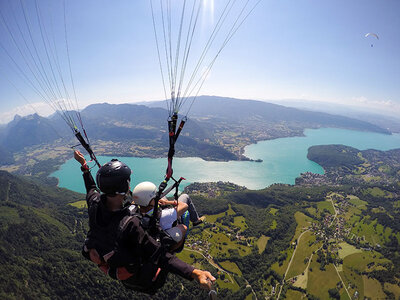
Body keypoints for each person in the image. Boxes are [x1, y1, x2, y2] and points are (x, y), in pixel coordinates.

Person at [73, 150, 215, 294]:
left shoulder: (95, 203)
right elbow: (158, 254)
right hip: (148, 278)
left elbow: (90, 188)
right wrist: (194, 272)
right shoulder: (129, 224)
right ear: (125, 186)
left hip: (125, 276)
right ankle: (174, 245)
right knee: (176, 231)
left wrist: (85, 166)